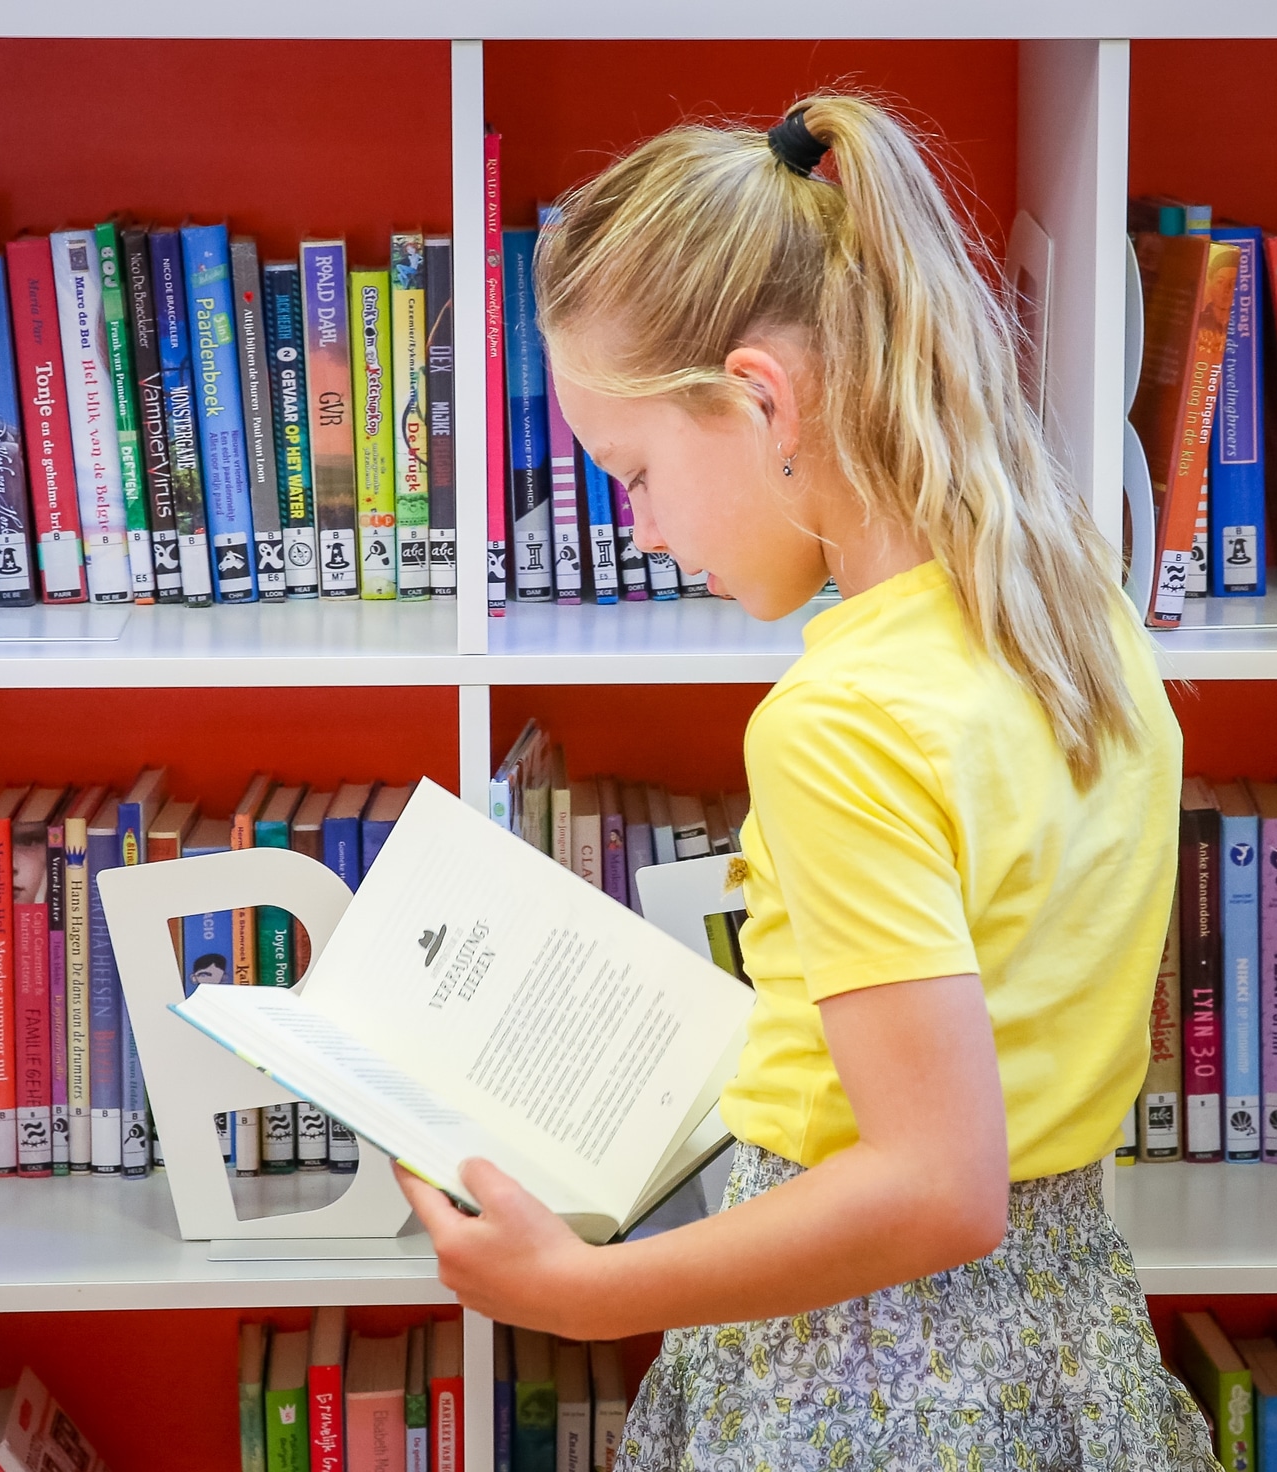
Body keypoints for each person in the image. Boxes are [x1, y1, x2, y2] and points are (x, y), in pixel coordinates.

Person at [396, 94, 1217, 1470]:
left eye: (636, 472)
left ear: (764, 399)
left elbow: (937, 1189)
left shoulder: (838, 720)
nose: (640, 531)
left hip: (860, 1377)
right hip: (1066, 1341)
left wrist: (580, 1294)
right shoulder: (1078, 614)